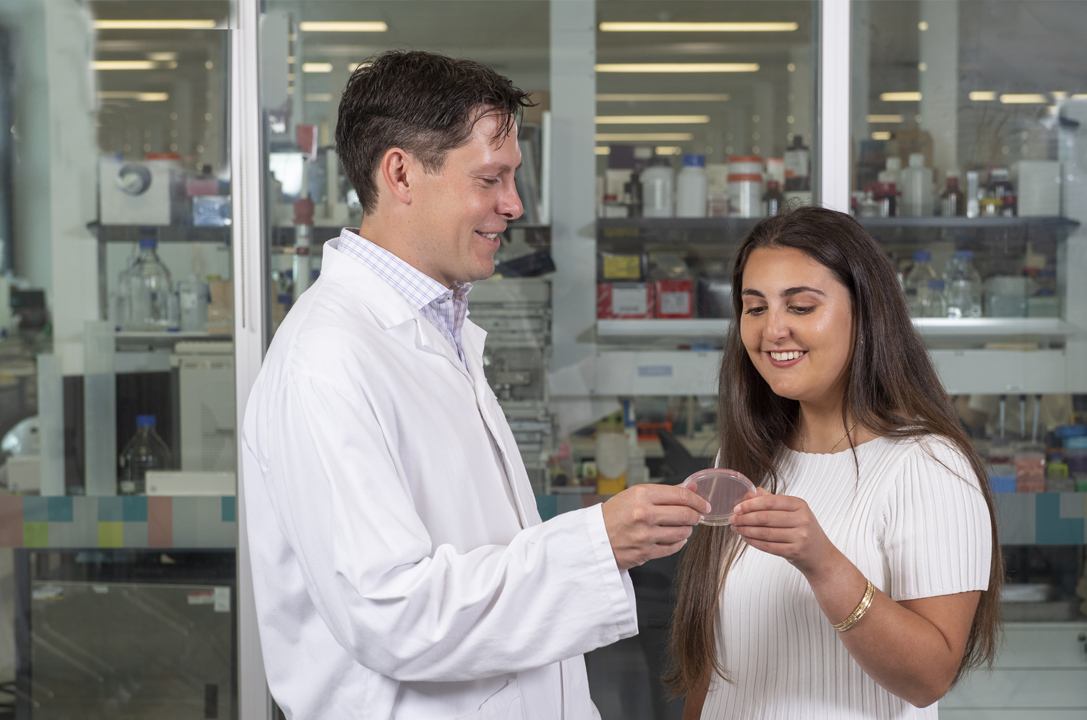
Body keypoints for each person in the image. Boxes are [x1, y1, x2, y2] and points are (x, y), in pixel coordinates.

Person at [241, 50, 708, 720]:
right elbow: (393, 615)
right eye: (491, 179)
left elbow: (492, 565)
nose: (513, 204)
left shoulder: (436, 328)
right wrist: (596, 543)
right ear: (400, 173)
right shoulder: (327, 360)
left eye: (513, 178)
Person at [668, 207, 1003, 719]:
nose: (772, 329)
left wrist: (823, 564)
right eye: (754, 308)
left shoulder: (928, 466)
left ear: (866, 312)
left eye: (800, 306)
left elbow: (930, 676)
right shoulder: (747, 459)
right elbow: (716, 669)